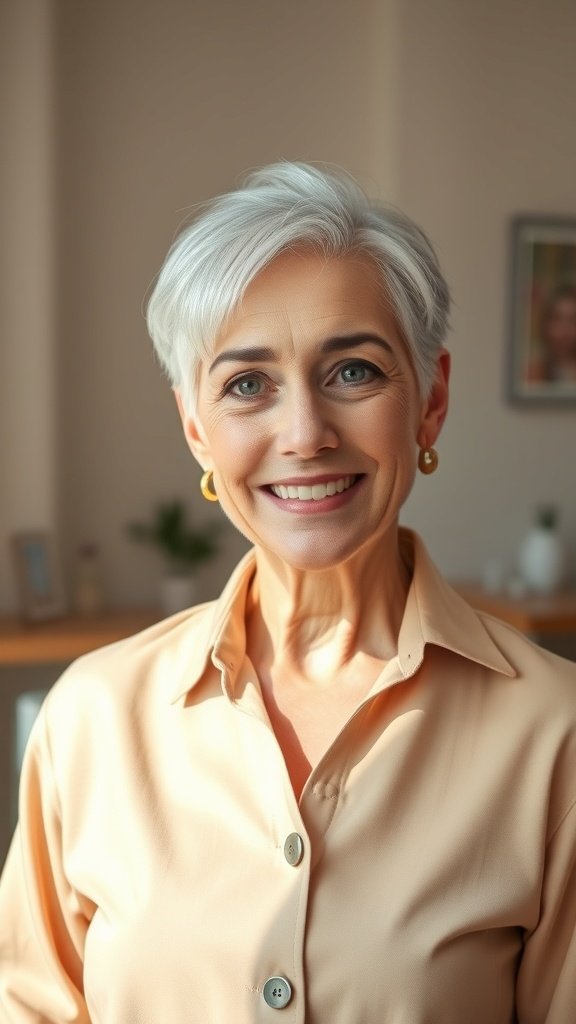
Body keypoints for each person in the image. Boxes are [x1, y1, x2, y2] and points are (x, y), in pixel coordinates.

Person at [1, 162, 576, 1024]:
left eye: (352, 372)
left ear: (432, 401)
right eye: (246, 384)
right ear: (196, 426)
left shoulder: (555, 734)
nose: (304, 433)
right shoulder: (90, 717)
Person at [527, 282, 576, 384]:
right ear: (545, 324)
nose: (565, 330)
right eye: (557, 319)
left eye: (572, 320)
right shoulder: (532, 375)